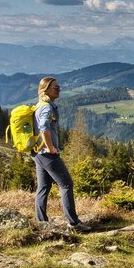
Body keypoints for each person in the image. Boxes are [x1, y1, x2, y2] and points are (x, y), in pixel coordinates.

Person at [32, 77, 89, 232]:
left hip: (37, 152)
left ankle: (41, 222)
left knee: (44, 186)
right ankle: (74, 224)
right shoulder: (46, 108)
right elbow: (44, 128)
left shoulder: (40, 105)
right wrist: (50, 148)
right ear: (46, 90)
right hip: (46, 153)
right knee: (66, 184)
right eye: (55, 88)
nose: (59, 89)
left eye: (59, 87)